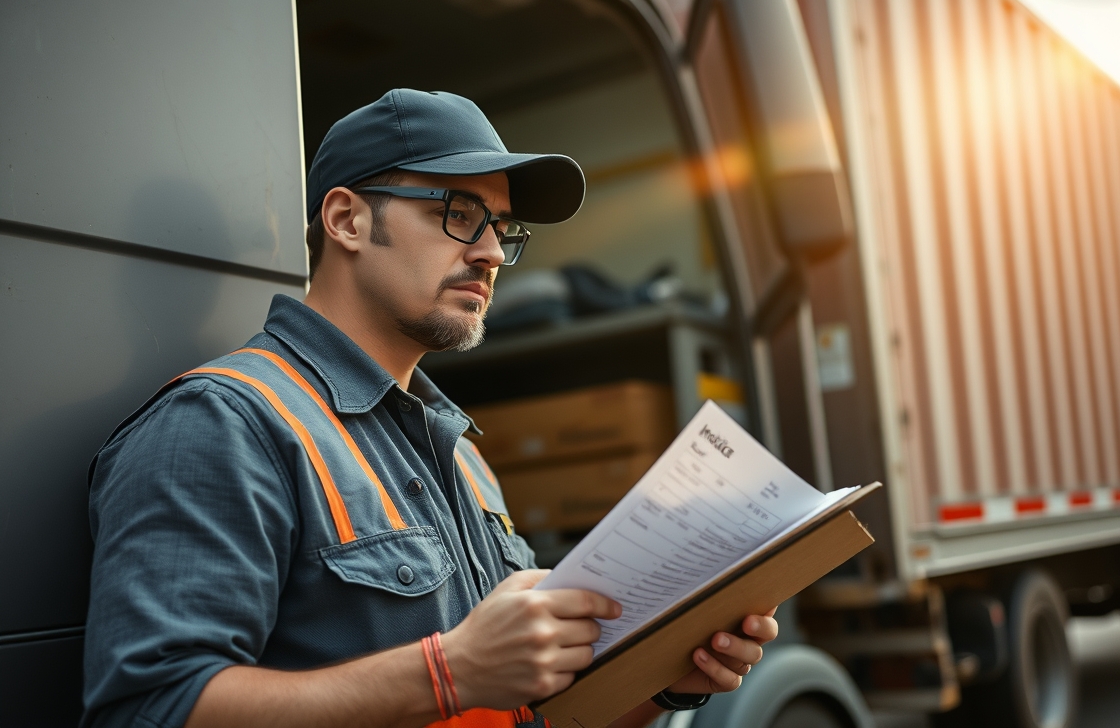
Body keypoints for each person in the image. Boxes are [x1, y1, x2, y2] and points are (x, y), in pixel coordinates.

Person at [82, 89, 778, 728]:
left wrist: (665, 683)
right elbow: (150, 709)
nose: (491, 254)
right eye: (459, 214)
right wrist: (449, 672)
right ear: (348, 219)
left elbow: (529, 716)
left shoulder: (464, 457)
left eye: (501, 227)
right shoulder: (225, 425)